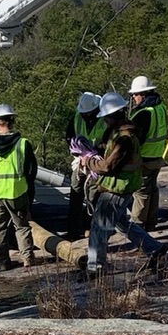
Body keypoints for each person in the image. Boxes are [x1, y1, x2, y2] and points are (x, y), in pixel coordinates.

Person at [83, 92, 167, 277]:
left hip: (117, 187)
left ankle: (95, 267)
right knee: (121, 222)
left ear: (110, 115)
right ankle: (154, 249)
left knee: (99, 227)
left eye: (105, 117)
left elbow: (108, 166)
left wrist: (87, 162)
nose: (104, 120)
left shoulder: (124, 137)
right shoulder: (124, 133)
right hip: (122, 185)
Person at [0, 102, 39, 270]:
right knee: (21, 227)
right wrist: (30, 196)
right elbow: (31, 172)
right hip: (17, 191)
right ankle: (27, 258)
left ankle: (3, 262)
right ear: (12, 120)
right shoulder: (22, 143)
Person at [128, 74, 168, 231]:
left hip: (144, 158)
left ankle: (137, 226)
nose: (133, 98)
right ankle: (151, 223)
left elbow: (136, 139)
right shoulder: (160, 108)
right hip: (157, 156)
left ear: (142, 94)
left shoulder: (144, 113)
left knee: (141, 193)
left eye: (135, 95)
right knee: (152, 190)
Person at [67, 90, 104, 237]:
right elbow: (69, 136)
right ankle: (73, 230)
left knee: (93, 195)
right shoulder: (77, 117)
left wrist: (96, 154)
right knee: (76, 193)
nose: (85, 115)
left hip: (96, 162)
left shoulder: (103, 119)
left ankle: (90, 226)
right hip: (79, 161)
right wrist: (76, 152)